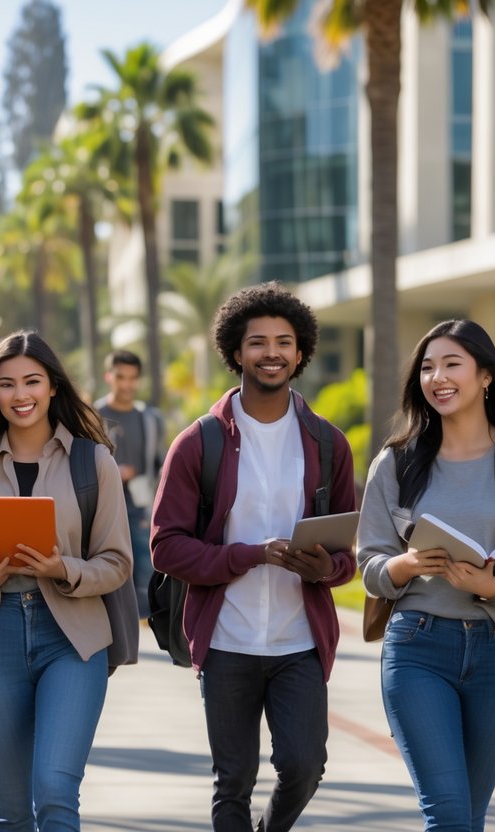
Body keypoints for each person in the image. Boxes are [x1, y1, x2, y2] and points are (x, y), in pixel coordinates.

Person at [151, 281, 358, 832]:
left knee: (304, 766)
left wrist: (326, 569)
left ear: (301, 352)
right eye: (259, 342)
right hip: (226, 641)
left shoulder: (328, 444)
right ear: (235, 352)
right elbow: (165, 546)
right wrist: (247, 556)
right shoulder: (199, 442)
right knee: (233, 780)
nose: (272, 353)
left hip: (300, 643)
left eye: (285, 342)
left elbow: (347, 554)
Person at [356, 319, 495, 832]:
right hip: (417, 648)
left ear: (485, 377)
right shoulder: (397, 462)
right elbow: (369, 564)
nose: (438, 377)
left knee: (468, 818)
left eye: (452, 364)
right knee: (450, 816)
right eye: (428, 367)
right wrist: (406, 565)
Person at [0, 330, 132, 831]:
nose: (20, 395)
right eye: (6, 384)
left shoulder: (93, 461)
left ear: (53, 388)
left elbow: (117, 563)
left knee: (55, 789)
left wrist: (60, 567)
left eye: (32, 381)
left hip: (71, 638)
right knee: (14, 808)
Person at [94, 349, 164, 617]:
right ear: (109, 376)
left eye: (132, 378)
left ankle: (143, 628)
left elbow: (159, 465)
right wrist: (112, 470)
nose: (126, 384)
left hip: (139, 506)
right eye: (120, 377)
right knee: (106, 568)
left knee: (145, 568)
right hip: (101, 505)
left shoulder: (150, 418)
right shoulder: (93, 414)